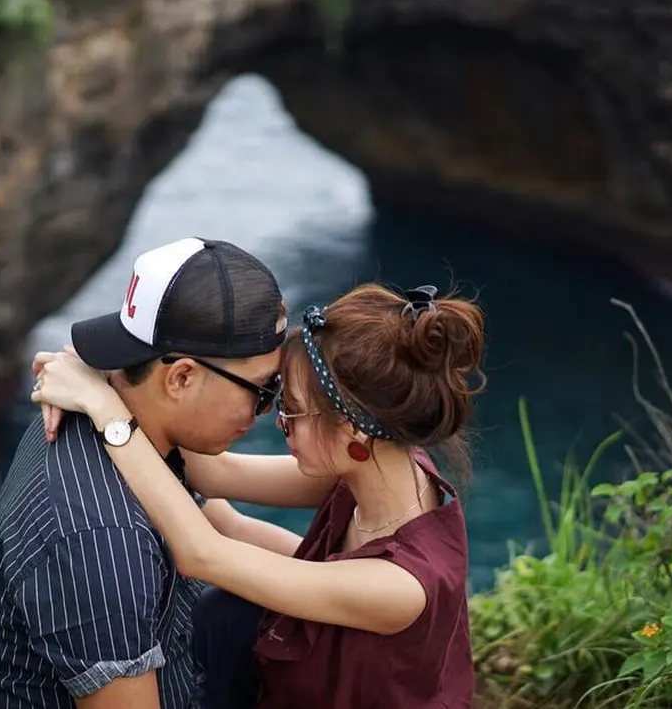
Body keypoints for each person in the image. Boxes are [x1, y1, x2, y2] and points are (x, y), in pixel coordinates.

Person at [31, 283, 485, 708]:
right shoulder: (383, 470)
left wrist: (106, 411)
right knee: (225, 612)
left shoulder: (403, 587)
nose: (277, 421)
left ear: (353, 429)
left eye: (291, 410)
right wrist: (105, 373)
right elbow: (216, 476)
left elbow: (203, 555)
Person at [0, 237, 305, 709]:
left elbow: (220, 522)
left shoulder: (124, 418)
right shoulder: (103, 536)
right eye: (263, 391)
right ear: (181, 377)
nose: (266, 412)